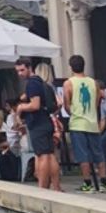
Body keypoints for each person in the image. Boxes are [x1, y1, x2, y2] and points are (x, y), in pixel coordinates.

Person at [63, 54, 106, 193]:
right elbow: (97, 101)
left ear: (71, 67)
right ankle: (103, 182)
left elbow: (66, 103)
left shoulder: (69, 83)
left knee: (82, 154)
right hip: (92, 122)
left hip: (77, 122)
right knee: (98, 153)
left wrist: (72, 111)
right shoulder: (93, 82)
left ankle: (87, 183)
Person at [14, 57, 61, 191]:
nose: (20, 74)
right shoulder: (42, 83)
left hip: (38, 123)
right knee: (50, 155)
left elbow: (35, 105)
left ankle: (42, 188)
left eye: (22, 70)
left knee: (42, 156)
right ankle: (56, 187)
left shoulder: (32, 84)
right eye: (18, 71)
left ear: (30, 68)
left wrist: (22, 107)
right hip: (47, 121)